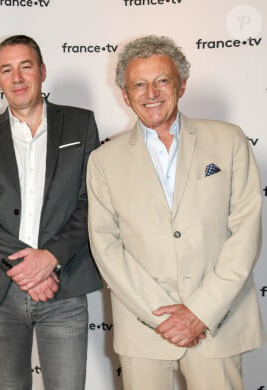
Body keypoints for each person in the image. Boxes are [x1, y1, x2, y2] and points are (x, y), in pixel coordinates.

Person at [87, 35, 265, 390]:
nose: (150, 92)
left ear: (181, 85)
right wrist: (163, 315)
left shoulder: (229, 141)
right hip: (144, 328)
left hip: (218, 323)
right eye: (139, 84)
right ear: (125, 94)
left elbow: (246, 230)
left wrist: (200, 311)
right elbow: (106, 245)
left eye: (161, 80)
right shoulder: (103, 160)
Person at [0, 35, 102, 389]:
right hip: (2, 288)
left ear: (41, 71)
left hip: (65, 285)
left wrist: (51, 257)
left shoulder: (80, 123)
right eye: (6, 70)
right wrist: (24, 265)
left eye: (25, 66)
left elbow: (93, 200)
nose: (17, 77)